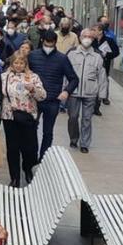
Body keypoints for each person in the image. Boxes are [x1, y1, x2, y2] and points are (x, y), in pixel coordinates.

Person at [28, 30, 79, 160]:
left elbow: (74, 78)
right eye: (47, 43)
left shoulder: (62, 58)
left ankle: (43, 158)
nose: (49, 47)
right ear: (42, 41)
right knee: (31, 129)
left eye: (51, 44)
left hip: (53, 100)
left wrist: (66, 91)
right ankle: (32, 157)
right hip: (34, 99)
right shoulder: (32, 56)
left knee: (48, 132)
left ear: (55, 43)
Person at [0, 52, 45, 187]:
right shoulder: (4, 77)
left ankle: (28, 171)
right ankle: (14, 177)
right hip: (9, 116)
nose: (18, 66)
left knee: (29, 147)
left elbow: (42, 96)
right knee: (12, 148)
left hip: (28, 116)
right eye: (16, 63)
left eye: (21, 63)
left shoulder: (33, 77)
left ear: (25, 64)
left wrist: (33, 89)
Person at [65, 28, 109, 153]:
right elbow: (64, 73)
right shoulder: (71, 53)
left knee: (87, 118)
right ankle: (74, 138)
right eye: (85, 36)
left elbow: (102, 75)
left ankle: (84, 143)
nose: (87, 39)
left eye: (90, 37)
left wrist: (102, 94)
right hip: (73, 91)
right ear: (80, 37)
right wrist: (64, 89)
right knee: (73, 117)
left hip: (90, 92)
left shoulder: (97, 55)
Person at [95, 17, 121, 109]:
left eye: (95, 30)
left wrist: (107, 55)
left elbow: (116, 52)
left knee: (103, 81)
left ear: (100, 31)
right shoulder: (92, 40)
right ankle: (95, 104)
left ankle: (103, 98)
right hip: (92, 65)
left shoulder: (109, 40)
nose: (93, 32)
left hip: (104, 64)